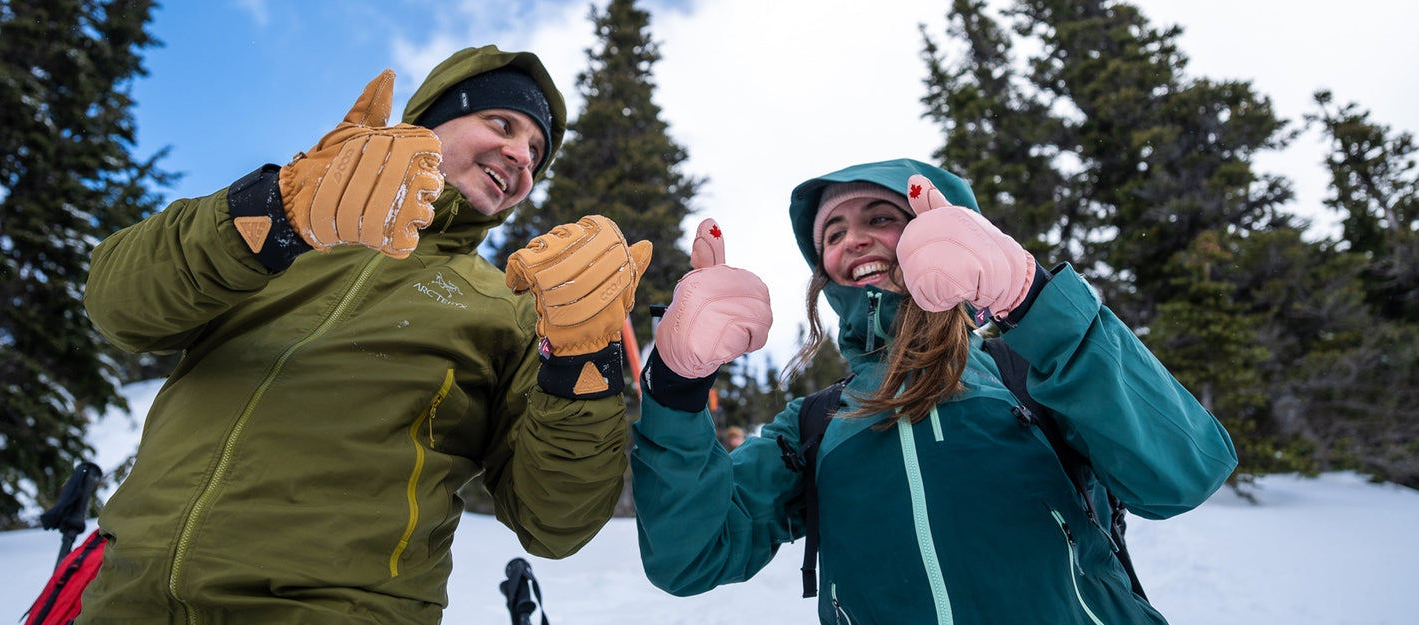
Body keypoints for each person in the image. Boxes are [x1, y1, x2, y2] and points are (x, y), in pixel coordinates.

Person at [79, 45, 651, 625]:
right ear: (429, 122)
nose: (521, 158)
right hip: (127, 599)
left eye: (536, 153)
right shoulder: (300, 227)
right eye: (502, 124)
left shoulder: (511, 311)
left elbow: (555, 520)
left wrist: (583, 362)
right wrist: (277, 211)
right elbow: (117, 305)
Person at [630, 158, 1237, 624]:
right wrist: (677, 390)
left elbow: (1181, 474)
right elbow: (692, 556)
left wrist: (1032, 298)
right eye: (833, 234)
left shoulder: (1030, 366)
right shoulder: (814, 423)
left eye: (880, 219)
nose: (853, 241)